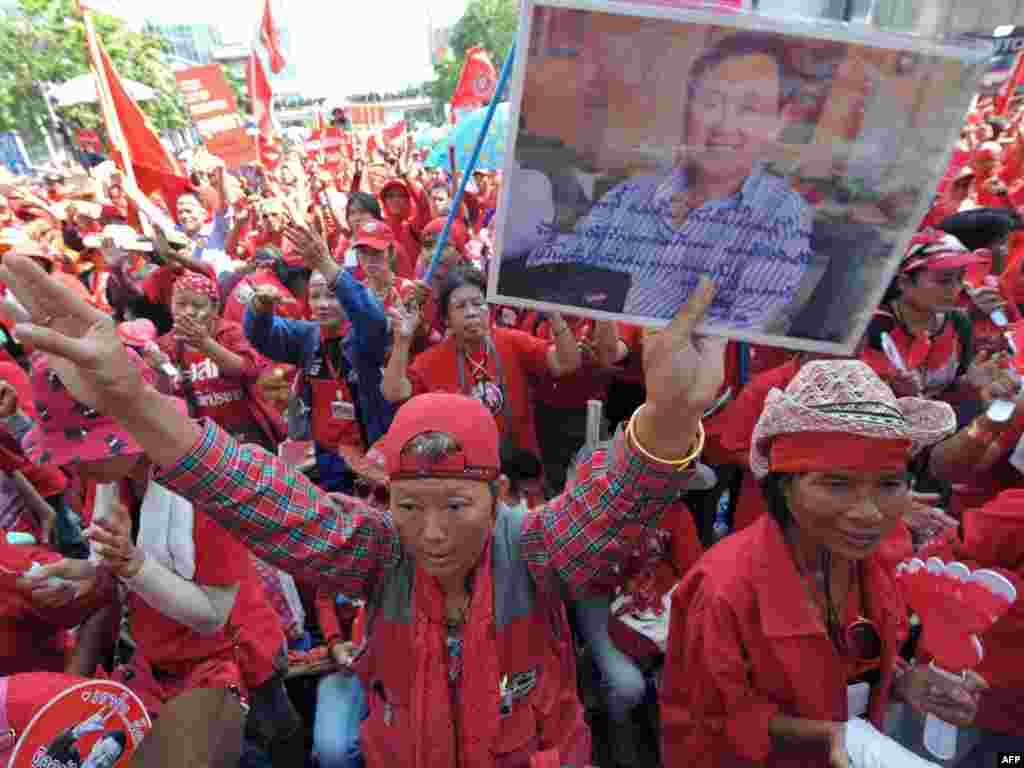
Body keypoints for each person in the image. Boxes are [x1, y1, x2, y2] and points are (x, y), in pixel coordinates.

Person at [0, 249, 725, 768]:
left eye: (456, 505)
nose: (432, 533)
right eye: (410, 505)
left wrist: (667, 416)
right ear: (386, 499)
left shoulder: (535, 550)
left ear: (498, 495)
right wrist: (131, 399)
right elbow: (250, 491)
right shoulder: (374, 550)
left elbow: (610, 507)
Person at [660, 359, 987, 768]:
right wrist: (830, 733)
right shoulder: (723, 589)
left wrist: (907, 683)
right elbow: (713, 719)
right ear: (784, 487)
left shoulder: (868, 562)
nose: (869, 513)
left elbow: (848, 667)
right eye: (836, 484)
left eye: (889, 484)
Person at [526, 32, 813, 330]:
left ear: (780, 121)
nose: (725, 125)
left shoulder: (783, 215)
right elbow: (549, 265)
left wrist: (614, 312)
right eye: (711, 102)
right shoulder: (632, 194)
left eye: (749, 109)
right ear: (689, 107)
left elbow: (743, 326)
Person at [382, 265, 582, 460]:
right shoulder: (431, 360)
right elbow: (393, 393)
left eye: (478, 303)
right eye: (460, 306)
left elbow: (567, 363)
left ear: (490, 309)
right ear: (446, 319)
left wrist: (554, 316)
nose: (471, 312)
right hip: (463, 479)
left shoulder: (514, 342)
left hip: (521, 476)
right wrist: (402, 340)